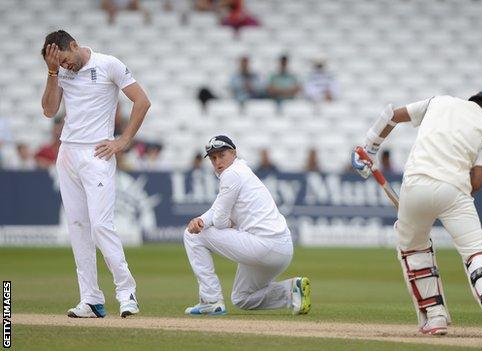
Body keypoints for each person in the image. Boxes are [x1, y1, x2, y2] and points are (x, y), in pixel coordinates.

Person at [351, 92, 482, 338]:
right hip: (454, 191)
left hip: (414, 185)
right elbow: (476, 182)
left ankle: (435, 318)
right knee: (476, 250)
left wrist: (369, 148)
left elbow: (391, 115)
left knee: (413, 249)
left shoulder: (438, 101)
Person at [41, 30, 151, 318]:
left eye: (65, 59)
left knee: (101, 226)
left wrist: (123, 141)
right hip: (67, 153)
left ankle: (127, 293)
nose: (65, 66)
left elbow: (142, 101)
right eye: (60, 64)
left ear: (74, 45)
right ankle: (90, 299)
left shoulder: (108, 64)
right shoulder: (60, 71)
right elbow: (49, 110)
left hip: (97, 152)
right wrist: (52, 72)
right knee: (78, 227)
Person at [182, 135, 310, 316]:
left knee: (192, 235)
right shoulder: (241, 170)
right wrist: (201, 220)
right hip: (283, 249)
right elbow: (217, 211)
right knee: (242, 298)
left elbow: (219, 221)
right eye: (213, 158)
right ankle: (291, 291)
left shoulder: (231, 174)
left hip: (263, 246)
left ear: (233, 153)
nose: (218, 162)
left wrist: (222, 222)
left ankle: (211, 300)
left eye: (221, 155)